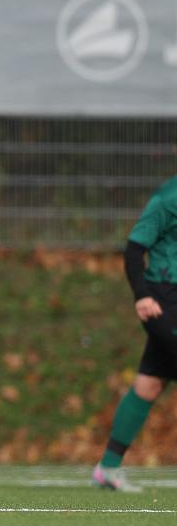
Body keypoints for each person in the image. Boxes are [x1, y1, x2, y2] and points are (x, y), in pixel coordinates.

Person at [93, 175, 177, 492]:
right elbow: (133, 251)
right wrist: (141, 295)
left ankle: (108, 468)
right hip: (163, 301)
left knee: (150, 383)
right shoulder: (168, 198)